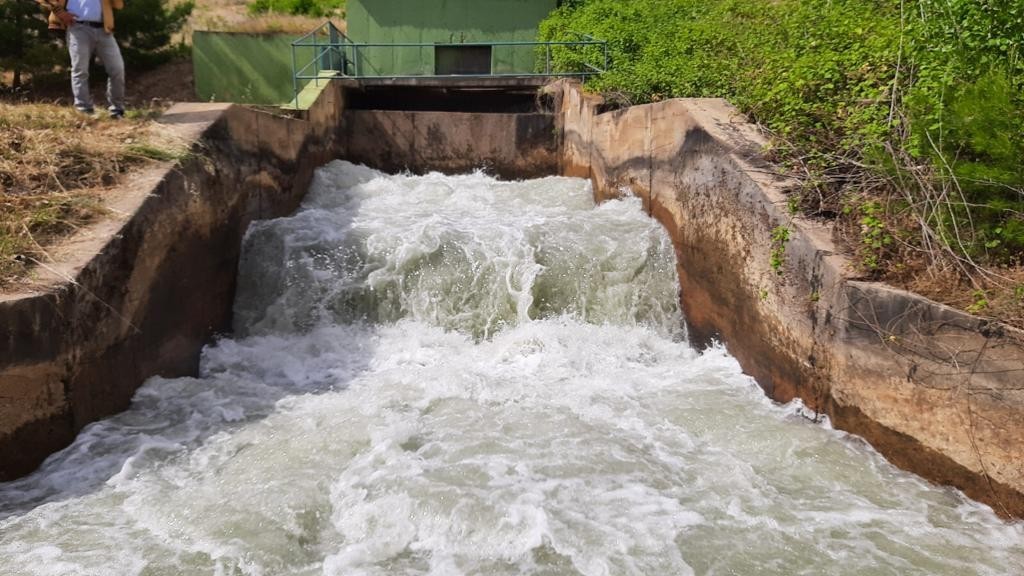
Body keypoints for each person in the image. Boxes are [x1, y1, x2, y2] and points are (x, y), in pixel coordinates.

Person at [37, 0, 126, 118]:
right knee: (80, 70)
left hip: (104, 29)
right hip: (78, 28)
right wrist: (60, 12)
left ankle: (117, 110)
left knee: (117, 69)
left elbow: (118, 5)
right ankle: (83, 110)